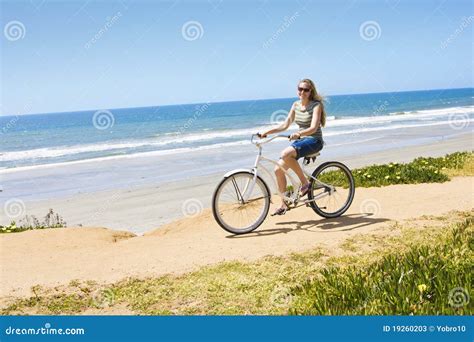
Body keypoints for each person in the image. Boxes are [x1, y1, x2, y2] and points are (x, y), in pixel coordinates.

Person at [259, 78, 326, 216]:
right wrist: (267, 131)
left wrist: (299, 133)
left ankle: (305, 184)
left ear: (310, 91)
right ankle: (283, 204)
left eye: (306, 90)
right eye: (300, 89)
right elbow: (285, 125)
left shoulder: (316, 105)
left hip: (314, 141)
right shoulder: (295, 105)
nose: (302, 92)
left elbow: (313, 128)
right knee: (278, 169)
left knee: (285, 153)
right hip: (301, 141)